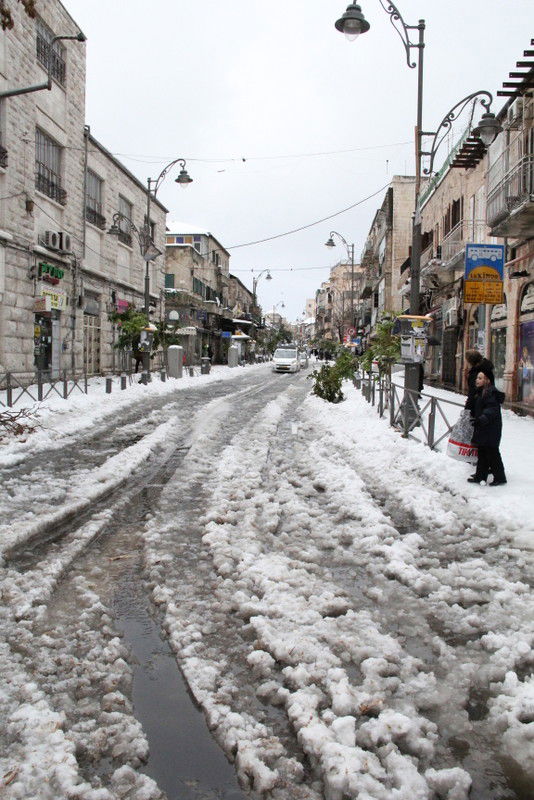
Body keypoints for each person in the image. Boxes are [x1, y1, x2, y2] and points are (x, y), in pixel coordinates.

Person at [468, 367, 507, 486]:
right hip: (484, 427)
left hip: (491, 428)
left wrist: (482, 419)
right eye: (477, 378)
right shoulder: (481, 392)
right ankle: (480, 476)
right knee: (482, 452)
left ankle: (500, 478)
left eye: (480, 378)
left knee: (492, 453)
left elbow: (492, 410)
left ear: (488, 380)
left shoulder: (490, 393)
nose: (477, 380)